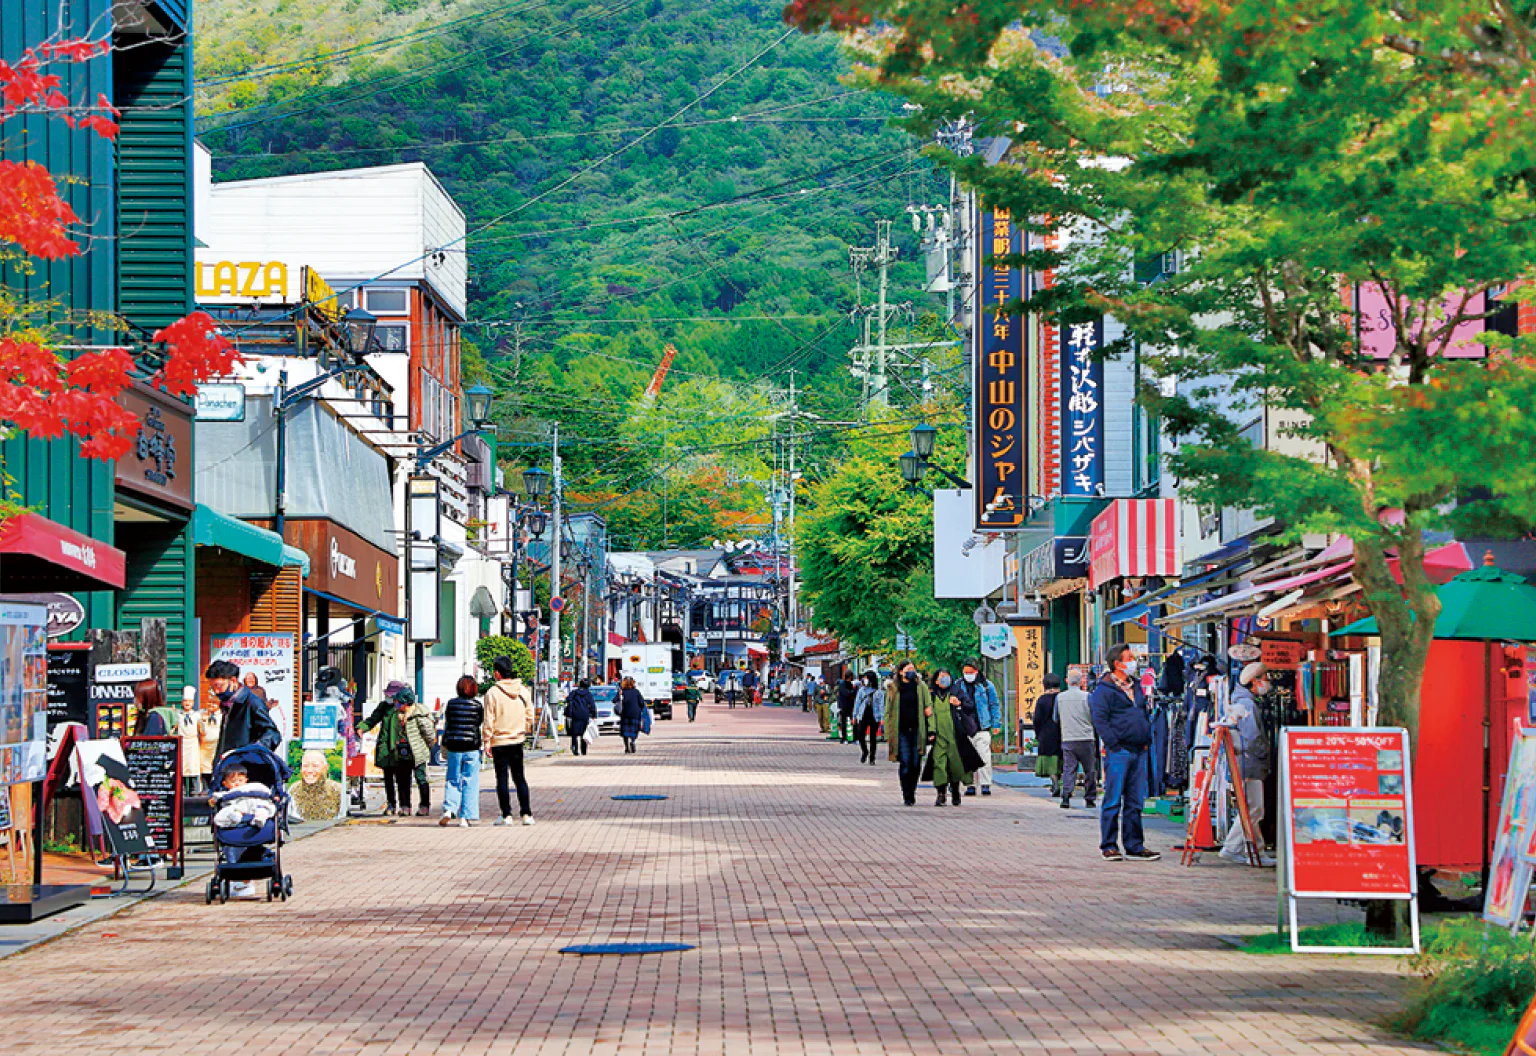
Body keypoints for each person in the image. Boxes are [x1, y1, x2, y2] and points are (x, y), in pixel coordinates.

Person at [1088, 644, 1160, 862]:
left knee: (1135, 801)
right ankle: (1109, 845)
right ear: (1117, 663)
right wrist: (1113, 744)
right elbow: (1100, 720)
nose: (1133, 661)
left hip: (1139, 749)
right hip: (1119, 751)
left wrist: (1147, 739)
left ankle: (1134, 844)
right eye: (1129, 658)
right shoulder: (1104, 690)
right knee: (1113, 799)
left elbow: (1143, 713)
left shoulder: (1136, 687)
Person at [1221, 662, 1275, 865]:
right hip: (1250, 762)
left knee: (1251, 808)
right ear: (1255, 680)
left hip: (1244, 761)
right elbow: (1252, 737)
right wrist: (1265, 753)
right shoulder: (1248, 705)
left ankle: (1254, 850)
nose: (1267, 683)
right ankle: (1234, 847)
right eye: (1265, 678)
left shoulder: (1241, 701)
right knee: (1253, 808)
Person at [359, 682, 436, 816]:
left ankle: (423, 805)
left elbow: (428, 733)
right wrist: (362, 727)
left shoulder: (415, 711)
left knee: (420, 778)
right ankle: (400, 805)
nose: (392, 700)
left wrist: (427, 747)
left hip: (414, 750)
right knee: (399, 778)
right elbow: (373, 719)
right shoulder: (385, 707)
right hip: (391, 748)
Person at [484, 656, 536, 825]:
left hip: (499, 740)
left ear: (498, 673)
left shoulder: (492, 693)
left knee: (502, 779)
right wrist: (523, 729)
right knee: (519, 777)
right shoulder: (523, 691)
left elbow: (489, 719)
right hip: (517, 739)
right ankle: (527, 814)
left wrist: (487, 740)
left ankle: (506, 815)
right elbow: (530, 716)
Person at [208, 660, 281, 761]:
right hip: (228, 767)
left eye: (219, 686)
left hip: (245, 770)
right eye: (212, 688)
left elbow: (273, 735)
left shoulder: (252, 702)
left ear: (233, 681)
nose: (216, 691)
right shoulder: (227, 704)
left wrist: (250, 753)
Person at [885, 661, 932, 806]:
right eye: (908, 669)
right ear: (901, 672)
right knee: (905, 762)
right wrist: (887, 732)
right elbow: (888, 711)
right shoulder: (893, 688)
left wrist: (931, 729)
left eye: (913, 668)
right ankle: (906, 793)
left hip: (918, 730)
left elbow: (928, 708)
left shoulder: (921, 686)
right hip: (901, 731)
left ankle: (912, 790)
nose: (912, 671)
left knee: (916, 763)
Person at [930, 669, 979, 806]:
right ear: (936, 680)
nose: (945, 679)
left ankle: (955, 790)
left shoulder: (957, 692)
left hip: (955, 736)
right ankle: (941, 794)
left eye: (947, 676)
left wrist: (960, 704)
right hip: (939, 736)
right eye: (942, 677)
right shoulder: (932, 696)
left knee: (954, 765)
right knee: (939, 765)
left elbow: (970, 706)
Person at [440, 675, 485, 827]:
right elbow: (478, 724)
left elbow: (448, 723)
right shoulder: (477, 706)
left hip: (454, 747)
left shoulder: (451, 704)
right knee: (470, 782)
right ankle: (465, 817)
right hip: (471, 747)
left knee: (453, 779)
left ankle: (449, 809)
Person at [1057, 668, 1098, 809]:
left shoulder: (1060, 698)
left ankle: (1066, 796)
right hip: (1086, 737)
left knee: (1069, 768)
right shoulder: (1088, 697)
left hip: (1068, 737)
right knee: (1089, 769)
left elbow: (1055, 718)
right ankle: (1090, 798)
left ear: (1067, 680)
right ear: (1081, 681)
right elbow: (1095, 717)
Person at [961, 661, 1002, 797]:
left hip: (982, 726)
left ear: (976, 671)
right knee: (967, 757)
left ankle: (985, 784)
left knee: (984, 756)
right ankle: (970, 785)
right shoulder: (958, 685)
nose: (968, 675)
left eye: (970, 673)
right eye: (966, 672)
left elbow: (994, 705)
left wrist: (996, 723)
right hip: (965, 727)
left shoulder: (986, 686)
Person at [288, 749, 343, 822]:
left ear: (326, 768)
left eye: (315, 765)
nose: (309, 770)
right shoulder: (293, 790)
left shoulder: (337, 790)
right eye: (305, 765)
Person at [1032, 674, 1064, 798]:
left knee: (1050, 761)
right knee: (1061, 760)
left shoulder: (1042, 700)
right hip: (1062, 733)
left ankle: (1054, 781)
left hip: (1046, 735)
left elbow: (1037, 719)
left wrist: (1037, 734)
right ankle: (1059, 783)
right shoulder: (1062, 698)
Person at [174, 687, 202, 794]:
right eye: (185, 701)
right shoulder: (179, 715)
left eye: (189, 701)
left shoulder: (196, 716)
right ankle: (183, 789)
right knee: (182, 767)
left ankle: (194, 789)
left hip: (193, 742)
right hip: (182, 743)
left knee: (193, 766)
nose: (187, 703)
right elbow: (174, 727)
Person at [852, 671, 883, 765]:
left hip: (874, 716)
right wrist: (854, 716)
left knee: (873, 737)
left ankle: (872, 757)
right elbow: (857, 703)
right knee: (860, 735)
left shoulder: (878, 692)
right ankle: (865, 751)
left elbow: (881, 705)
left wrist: (882, 718)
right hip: (863, 715)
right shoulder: (862, 690)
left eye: (866, 678)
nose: (864, 680)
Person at [565, 678, 596, 754]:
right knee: (584, 733)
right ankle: (583, 750)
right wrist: (594, 715)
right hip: (585, 715)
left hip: (575, 714)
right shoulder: (588, 694)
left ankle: (574, 747)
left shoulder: (574, 692)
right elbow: (592, 705)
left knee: (574, 733)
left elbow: (568, 699)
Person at [617, 675, 646, 754]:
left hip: (625, 713)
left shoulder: (622, 691)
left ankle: (627, 747)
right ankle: (632, 741)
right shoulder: (636, 692)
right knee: (634, 729)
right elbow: (641, 702)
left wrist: (619, 695)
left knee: (625, 731)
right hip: (635, 713)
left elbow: (614, 700)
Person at [836, 674, 858, 744]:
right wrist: (853, 691)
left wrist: (853, 691)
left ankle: (855, 738)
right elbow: (847, 693)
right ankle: (844, 738)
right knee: (844, 722)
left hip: (851, 706)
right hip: (844, 706)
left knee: (854, 722)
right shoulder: (842, 685)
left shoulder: (851, 685)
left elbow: (855, 693)